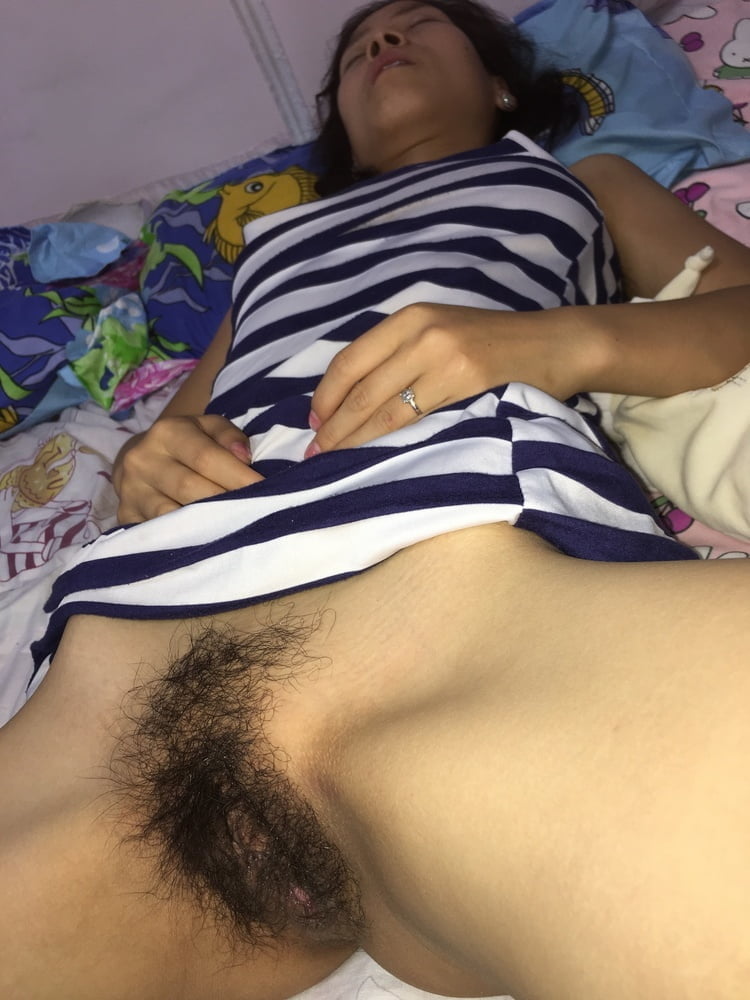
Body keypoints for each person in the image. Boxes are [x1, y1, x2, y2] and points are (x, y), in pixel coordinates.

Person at [2, 2, 750, 998]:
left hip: (468, 567)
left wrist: (564, 343)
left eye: (416, 26)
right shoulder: (272, 243)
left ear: (499, 85)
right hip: (141, 637)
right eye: (357, 49)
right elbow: (173, 430)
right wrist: (143, 463)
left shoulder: (577, 179)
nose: (382, 44)